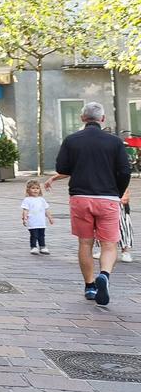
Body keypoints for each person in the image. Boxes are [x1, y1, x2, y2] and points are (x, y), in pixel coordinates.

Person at [44, 102, 131, 305]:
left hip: (80, 198)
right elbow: (125, 171)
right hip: (108, 198)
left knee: (85, 243)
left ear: (82, 118)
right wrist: (116, 193)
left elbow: (62, 167)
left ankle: (90, 286)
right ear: (102, 119)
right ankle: (105, 276)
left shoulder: (72, 140)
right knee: (109, 244)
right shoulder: (114, 142)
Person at [21, 179, 54, 256]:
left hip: (41, 222)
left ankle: (42, 246)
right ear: (28, 190)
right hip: (32, 221)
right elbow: (25, 210)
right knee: (34, 235)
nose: (35, 190)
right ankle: (33, 247)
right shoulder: (27, 200)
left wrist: (50, 218)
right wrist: (25, 218)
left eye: (37, 188)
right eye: (33, 188)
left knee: (42, 235)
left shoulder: (42, 200)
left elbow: (46, 209)